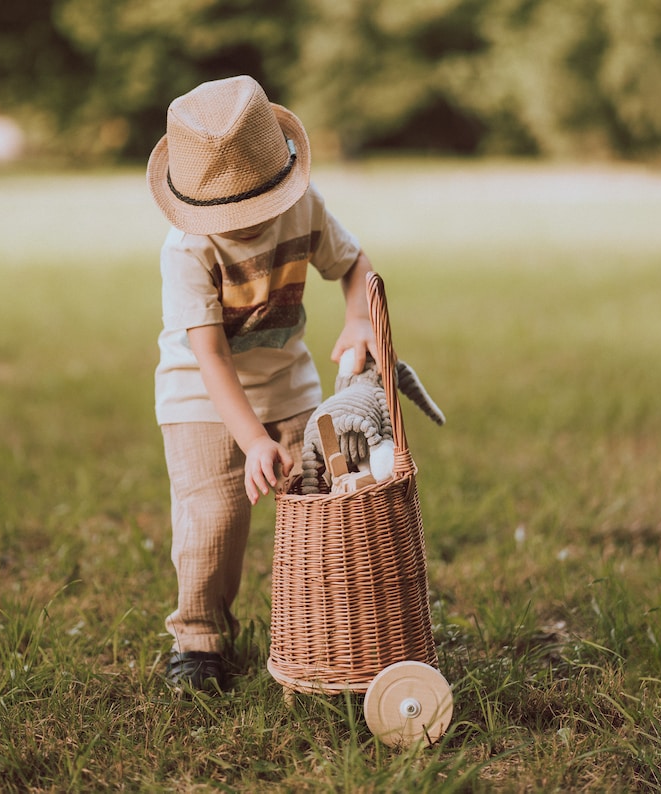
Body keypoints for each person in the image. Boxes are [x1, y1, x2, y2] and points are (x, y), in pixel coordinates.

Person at [146, 74, 377, 692]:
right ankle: (199, 641)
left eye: (254, 211)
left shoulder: (305, 205)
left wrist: (359, 319)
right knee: (214, 517)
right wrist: (252, 441)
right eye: (230, 216)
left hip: (289, 384)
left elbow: (355, 265)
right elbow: (212, 355)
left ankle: (323, 622)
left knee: (326, 493)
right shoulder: (187, 248)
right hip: (201, 394)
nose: (244, 224)